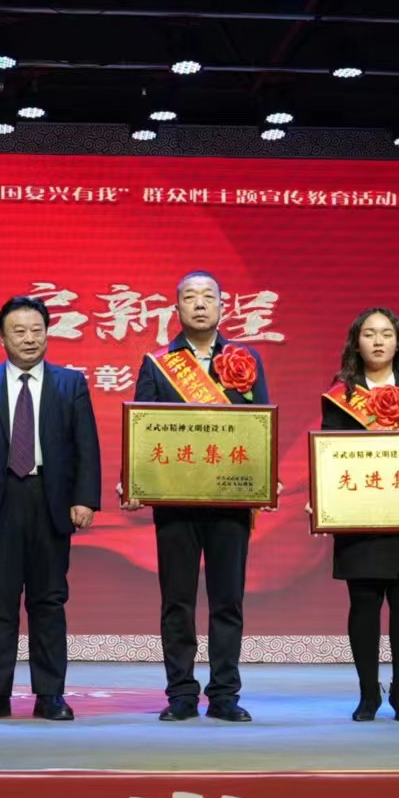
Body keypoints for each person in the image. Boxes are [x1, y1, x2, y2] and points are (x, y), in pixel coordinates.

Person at [0, 294, 102, 721]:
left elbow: (86, 447)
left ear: (48, 333)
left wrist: (85, 498)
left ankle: (50, 694)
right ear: (1, 338)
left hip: (50, 501)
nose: (29, 338)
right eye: (19, 331)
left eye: (37, 330)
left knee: (48, 601)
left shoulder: (70, 383)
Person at [132, 270, 271, 723]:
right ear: (176, 308)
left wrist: (263, 477)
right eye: (189, 297)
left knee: (227, 600)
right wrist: (134, 479)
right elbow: (143, 430)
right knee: (177, 601)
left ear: (221, 307)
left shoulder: (244, 360)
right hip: (175, 503)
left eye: (207, 296)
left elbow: (259, 426)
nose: (198, 304)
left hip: (230, 501)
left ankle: (225, 694)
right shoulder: (158, 363)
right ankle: (181, 694)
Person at [319, 307, 399, 722]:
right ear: (357, 343)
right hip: (361, 518)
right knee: (364, 606)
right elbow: (329, 456)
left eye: (386, 334)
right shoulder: (341, 396)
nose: (377, 341)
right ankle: (368, 694)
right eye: (369, 334)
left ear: (397, 342)